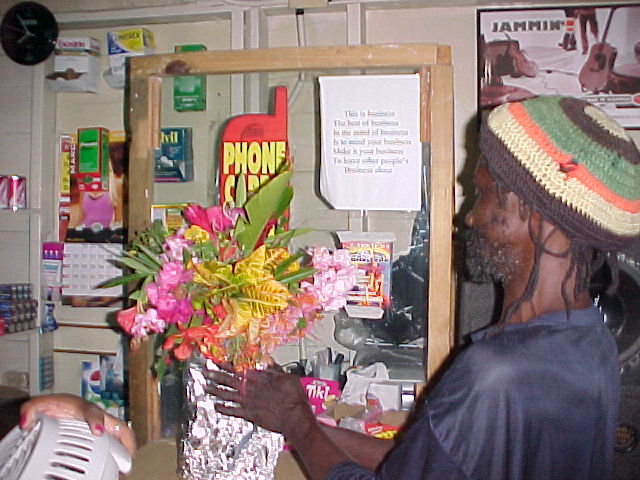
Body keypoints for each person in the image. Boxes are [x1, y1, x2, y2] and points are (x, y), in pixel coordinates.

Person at [20, 95, 640, 479]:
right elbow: (424, 460)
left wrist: (300, 427)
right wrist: (293, 419)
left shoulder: (496, 376)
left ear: (541, 217)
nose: (469, 217)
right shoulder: (585, 341)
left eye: (481, 195)